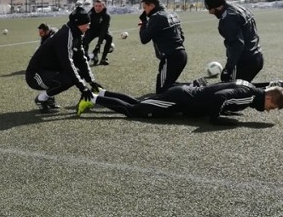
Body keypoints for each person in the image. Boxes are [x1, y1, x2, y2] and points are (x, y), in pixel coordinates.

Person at [77, 79, 283, 125]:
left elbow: (223, 91)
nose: (268, 111)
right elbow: (220, 97)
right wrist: (216, 118)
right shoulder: (250, 95)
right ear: (268, 98)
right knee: (133, 111)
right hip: (180, 100)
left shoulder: (250, 89)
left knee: (140, 103)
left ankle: (102, 92)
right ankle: (92, 98)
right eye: (272, 107)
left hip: (183, 95)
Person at [26, 6, 102, 113]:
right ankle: (41, 99)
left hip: (49, 71)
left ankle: (49, 97)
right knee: (67, 79)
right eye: (87, 24)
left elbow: (81, 59)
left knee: (76, 75)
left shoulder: (76, 33)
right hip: (35, 75)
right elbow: (67, 63)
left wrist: (91, 81)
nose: (89, 27)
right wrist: (82, 87)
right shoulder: (65, 35)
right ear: (79, 23)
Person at [204, 0, 263, 82]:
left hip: (245, 61)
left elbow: (237, 45)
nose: (209, 12)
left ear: (216, 6)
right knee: (243, 90)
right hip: (257, 56)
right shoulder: (239, 8)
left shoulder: (228, 19)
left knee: (234, 92)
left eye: (209, 8)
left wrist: (228, 69)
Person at [139, 0, 187, 93]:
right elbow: (182, 37)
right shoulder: (172, 13)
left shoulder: (156, 17)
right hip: (182, 54)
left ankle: (193, 86)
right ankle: (191, 86)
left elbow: (144, 39)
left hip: (170, 57)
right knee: (168, 87)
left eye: (145, 8)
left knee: (161, 92)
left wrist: (144, 23)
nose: (144, 11)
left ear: (151, 6)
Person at [82, 0, 113, 66]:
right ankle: (87, 57)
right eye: (96, 6)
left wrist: (99, 44)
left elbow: (103, 29)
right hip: (91, 31)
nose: (97, 8)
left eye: (100, 6)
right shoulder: (90, 14)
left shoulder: (106, 15)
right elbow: (87, 28)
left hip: (101, 31)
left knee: (109, 37)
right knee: (84, 42)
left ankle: (103, 59)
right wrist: (86, 40)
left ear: (103, 6)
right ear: (94, 6)